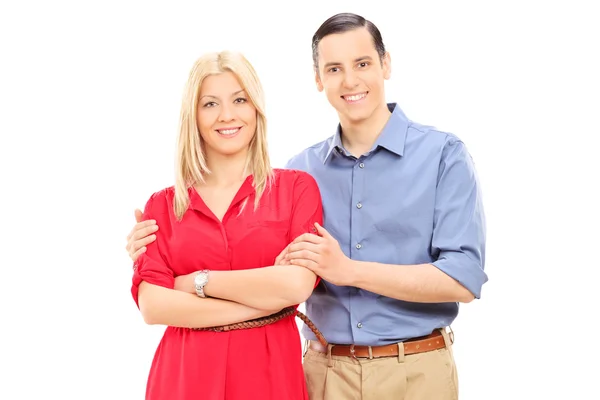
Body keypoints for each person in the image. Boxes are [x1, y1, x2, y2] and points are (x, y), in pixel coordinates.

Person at [126, 13, 487, 400]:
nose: (350, 80)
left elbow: (463, 277)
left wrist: (347, 271)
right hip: (324, 372)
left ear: (385, 63)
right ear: (318, 79)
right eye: (334, 68)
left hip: (415, 368)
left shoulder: (442, 155)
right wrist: (154, 249)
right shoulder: (301, 170)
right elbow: (158, 300)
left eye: (362, 63)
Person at [129, 50, 323, 400]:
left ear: (256, 109)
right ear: (194, 115)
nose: (227, 115)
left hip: (269, 379)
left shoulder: (296, 189)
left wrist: (196, 282)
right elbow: (154, 306)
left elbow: (296, 285)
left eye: (239, 99)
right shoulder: (162, 205)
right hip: (184, 381)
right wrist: (264, 303)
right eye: (210, 104)